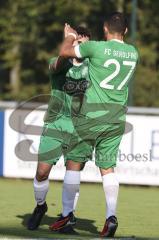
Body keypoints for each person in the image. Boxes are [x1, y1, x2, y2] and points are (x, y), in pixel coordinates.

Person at [50, 12, 139, 237]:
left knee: (73, 163)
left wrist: (69, 36)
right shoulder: (133, 53)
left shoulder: (96, 48)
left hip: (91, 115)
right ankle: (111, 215)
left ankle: (67, 215)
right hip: (117, 117)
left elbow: (65, 54)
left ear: (105, 29)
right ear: (126, 31)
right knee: (107, 168)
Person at [27, 26, 91, 231]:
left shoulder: (94, 67)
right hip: (55, 123)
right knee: (42, 172)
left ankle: (67, 216)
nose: (81, 46)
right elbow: (58, 63)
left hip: (80, 128)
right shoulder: (59, 63)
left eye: (85, 43)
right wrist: (70, 39)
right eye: (77, 42)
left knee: (73, 173)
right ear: (71, 43)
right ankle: (40, 206)